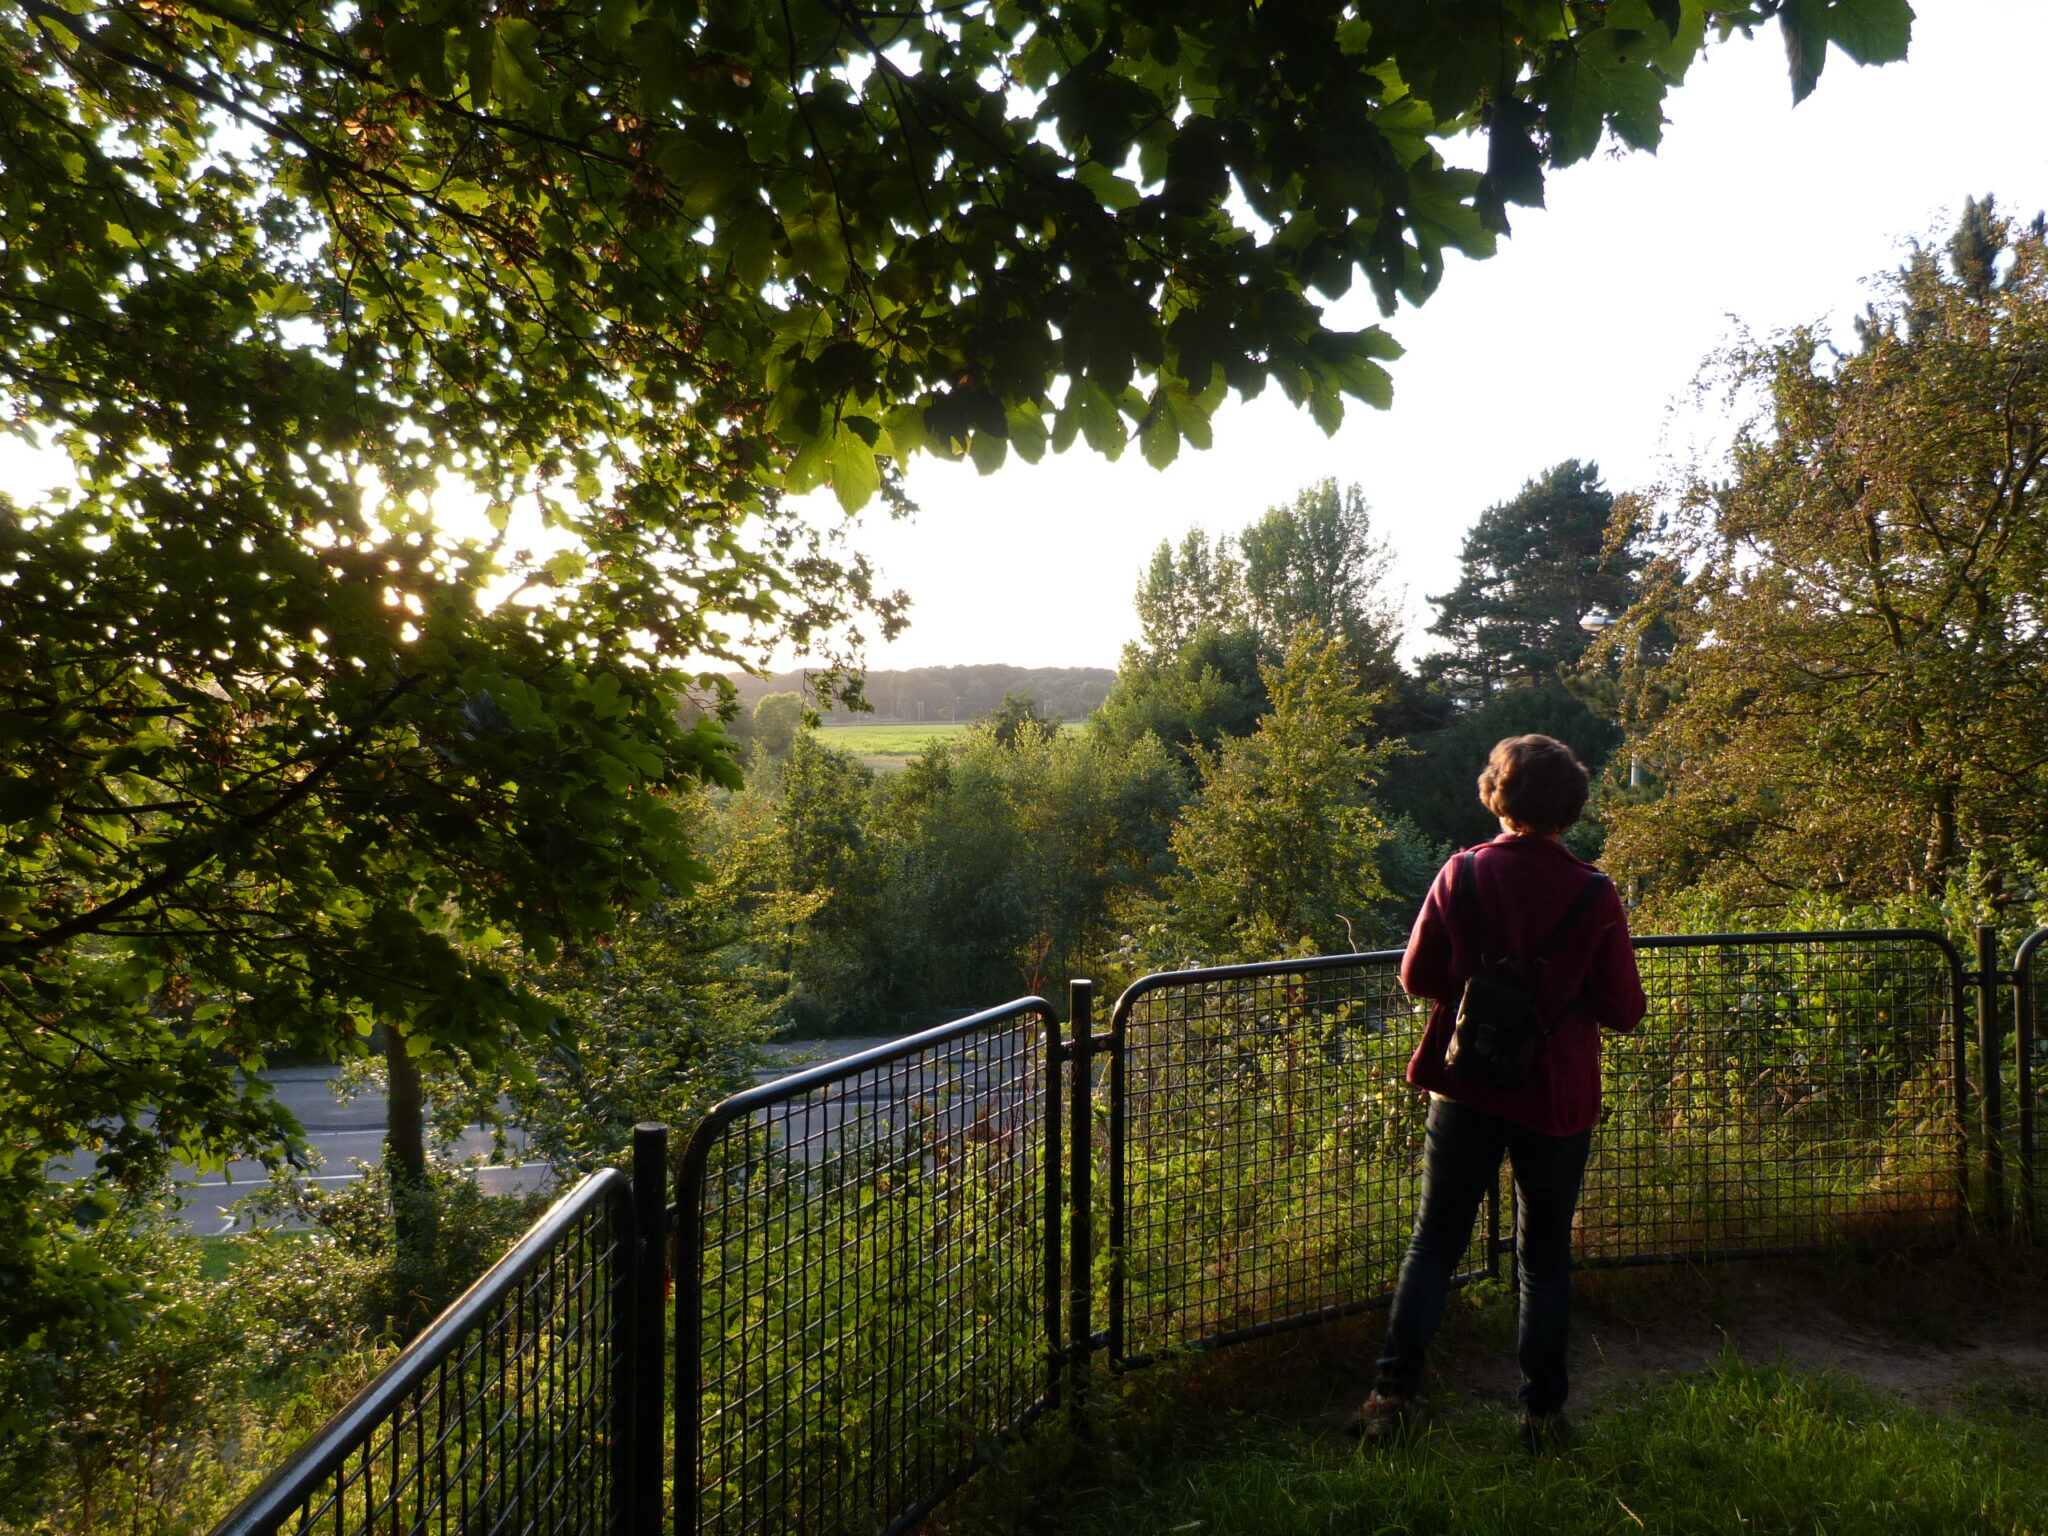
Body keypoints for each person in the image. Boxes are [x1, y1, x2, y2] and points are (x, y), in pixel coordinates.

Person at [1358, 733, 1645, 1452]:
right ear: (1571, 808)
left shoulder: (1462, 873)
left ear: (1498, 796)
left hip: (1466, 1088)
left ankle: (1391, 1400)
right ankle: (1541, 1415)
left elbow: (1419, 978)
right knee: (1545, 1256)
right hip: (1555, 1097)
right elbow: (1624, 1009)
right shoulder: (1594, 892)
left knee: (1433, 1245)